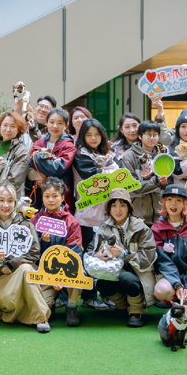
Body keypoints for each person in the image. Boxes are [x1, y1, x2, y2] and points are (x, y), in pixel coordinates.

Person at [0, 184, 54, 333]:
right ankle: (33, 312)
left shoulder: (25, 224)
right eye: (1, 200)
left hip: (25, 273)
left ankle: (40, 317)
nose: (5, 205)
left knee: (26, 270)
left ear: (15, 203)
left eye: (10, 201)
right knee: (23, 294)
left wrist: (13, 264)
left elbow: (34, 253)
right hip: (0, 277)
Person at [92, 188, 157, 327]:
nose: (118, 210)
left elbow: (147, 260)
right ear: (109, 208)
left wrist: (124, 254)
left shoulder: (142, 228)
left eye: (122, 205)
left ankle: (136, 310)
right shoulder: (103, 228)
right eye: (114, 205)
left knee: (126, 278)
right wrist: (97, 255)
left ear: (129, 208)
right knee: (101, 284)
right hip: (114, 272)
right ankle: (121, 305)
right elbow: (91, 251)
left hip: (138, 275)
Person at [72, 118, 118, 311]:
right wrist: (110, 171)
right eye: (89, 135)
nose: (93, 138)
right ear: (82, 137)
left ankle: (106, 293)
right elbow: (96, 179)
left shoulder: (108, 154)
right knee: (89, 254)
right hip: (87, 214)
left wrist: (109, 171)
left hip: (107, 214)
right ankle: (89, 296)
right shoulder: (80, 155)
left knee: (107, 254)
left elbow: (118, 177)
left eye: (97, 134)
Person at [151, 185, 187, 330]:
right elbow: (163, 261)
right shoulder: (156, 228)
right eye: (169, 199)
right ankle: (178, 303)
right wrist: (177, 284)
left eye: (178, 200)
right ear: (164, 202)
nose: (173, 204)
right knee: (161, 290)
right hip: (174, 280)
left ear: (185, 204)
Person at [31, 177, 83, 326]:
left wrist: (60, 275)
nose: (51, 200)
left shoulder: (72, 222)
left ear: (62, 198)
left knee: (81, 272)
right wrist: (43, 242)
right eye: (47, 196)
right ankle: (51, 302)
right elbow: (30, 251)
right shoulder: (35, 220)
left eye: (55, 196)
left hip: (65, 268)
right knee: (44, 308)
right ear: (42, 198)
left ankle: (71, 306)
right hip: (42, 270)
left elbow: (74, 251)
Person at [122, 120, 169, 226]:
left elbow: (167, 185)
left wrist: (164, 183)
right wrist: (155, 181)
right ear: (140, 136)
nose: (152, 138)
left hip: (159, 216)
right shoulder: (129, 157)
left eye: (155, 135)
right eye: (148, 135)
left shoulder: (162, 156)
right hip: (137, 216)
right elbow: (131, 187)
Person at [28, 107, 76, 208]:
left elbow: (56, 169)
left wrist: (36, 156)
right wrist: (35, 181)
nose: (55, 126)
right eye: (52, 122)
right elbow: (30, 162)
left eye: (60, 123)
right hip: (38, 195)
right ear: (47, 123)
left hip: (59, 196)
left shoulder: (69, 146)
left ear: (66, 125)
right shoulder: (39, 142)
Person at [0, 111, 30, 198]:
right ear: (0, 127)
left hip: (8, 200)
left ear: (18, 130)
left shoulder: (22, 152)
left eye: (12, 126)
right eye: (5, 125)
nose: (8, 129)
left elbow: (13, 182)